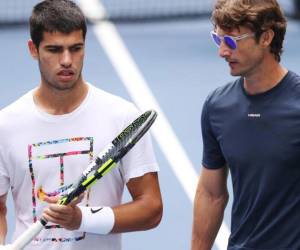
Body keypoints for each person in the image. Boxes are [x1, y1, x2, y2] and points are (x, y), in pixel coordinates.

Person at [0, 0, 163, 249]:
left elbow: (151, 208)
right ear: (33, 49)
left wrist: (82, 219)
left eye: (76, 48)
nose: (67, 60)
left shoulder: (121, 117)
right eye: (54, 50)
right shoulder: (5, 126)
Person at [191, 0, 300, 249]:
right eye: (218, 40)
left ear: (266, 38)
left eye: (231, 41)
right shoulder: (217, 107)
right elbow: (211, 194)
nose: (222, 52)